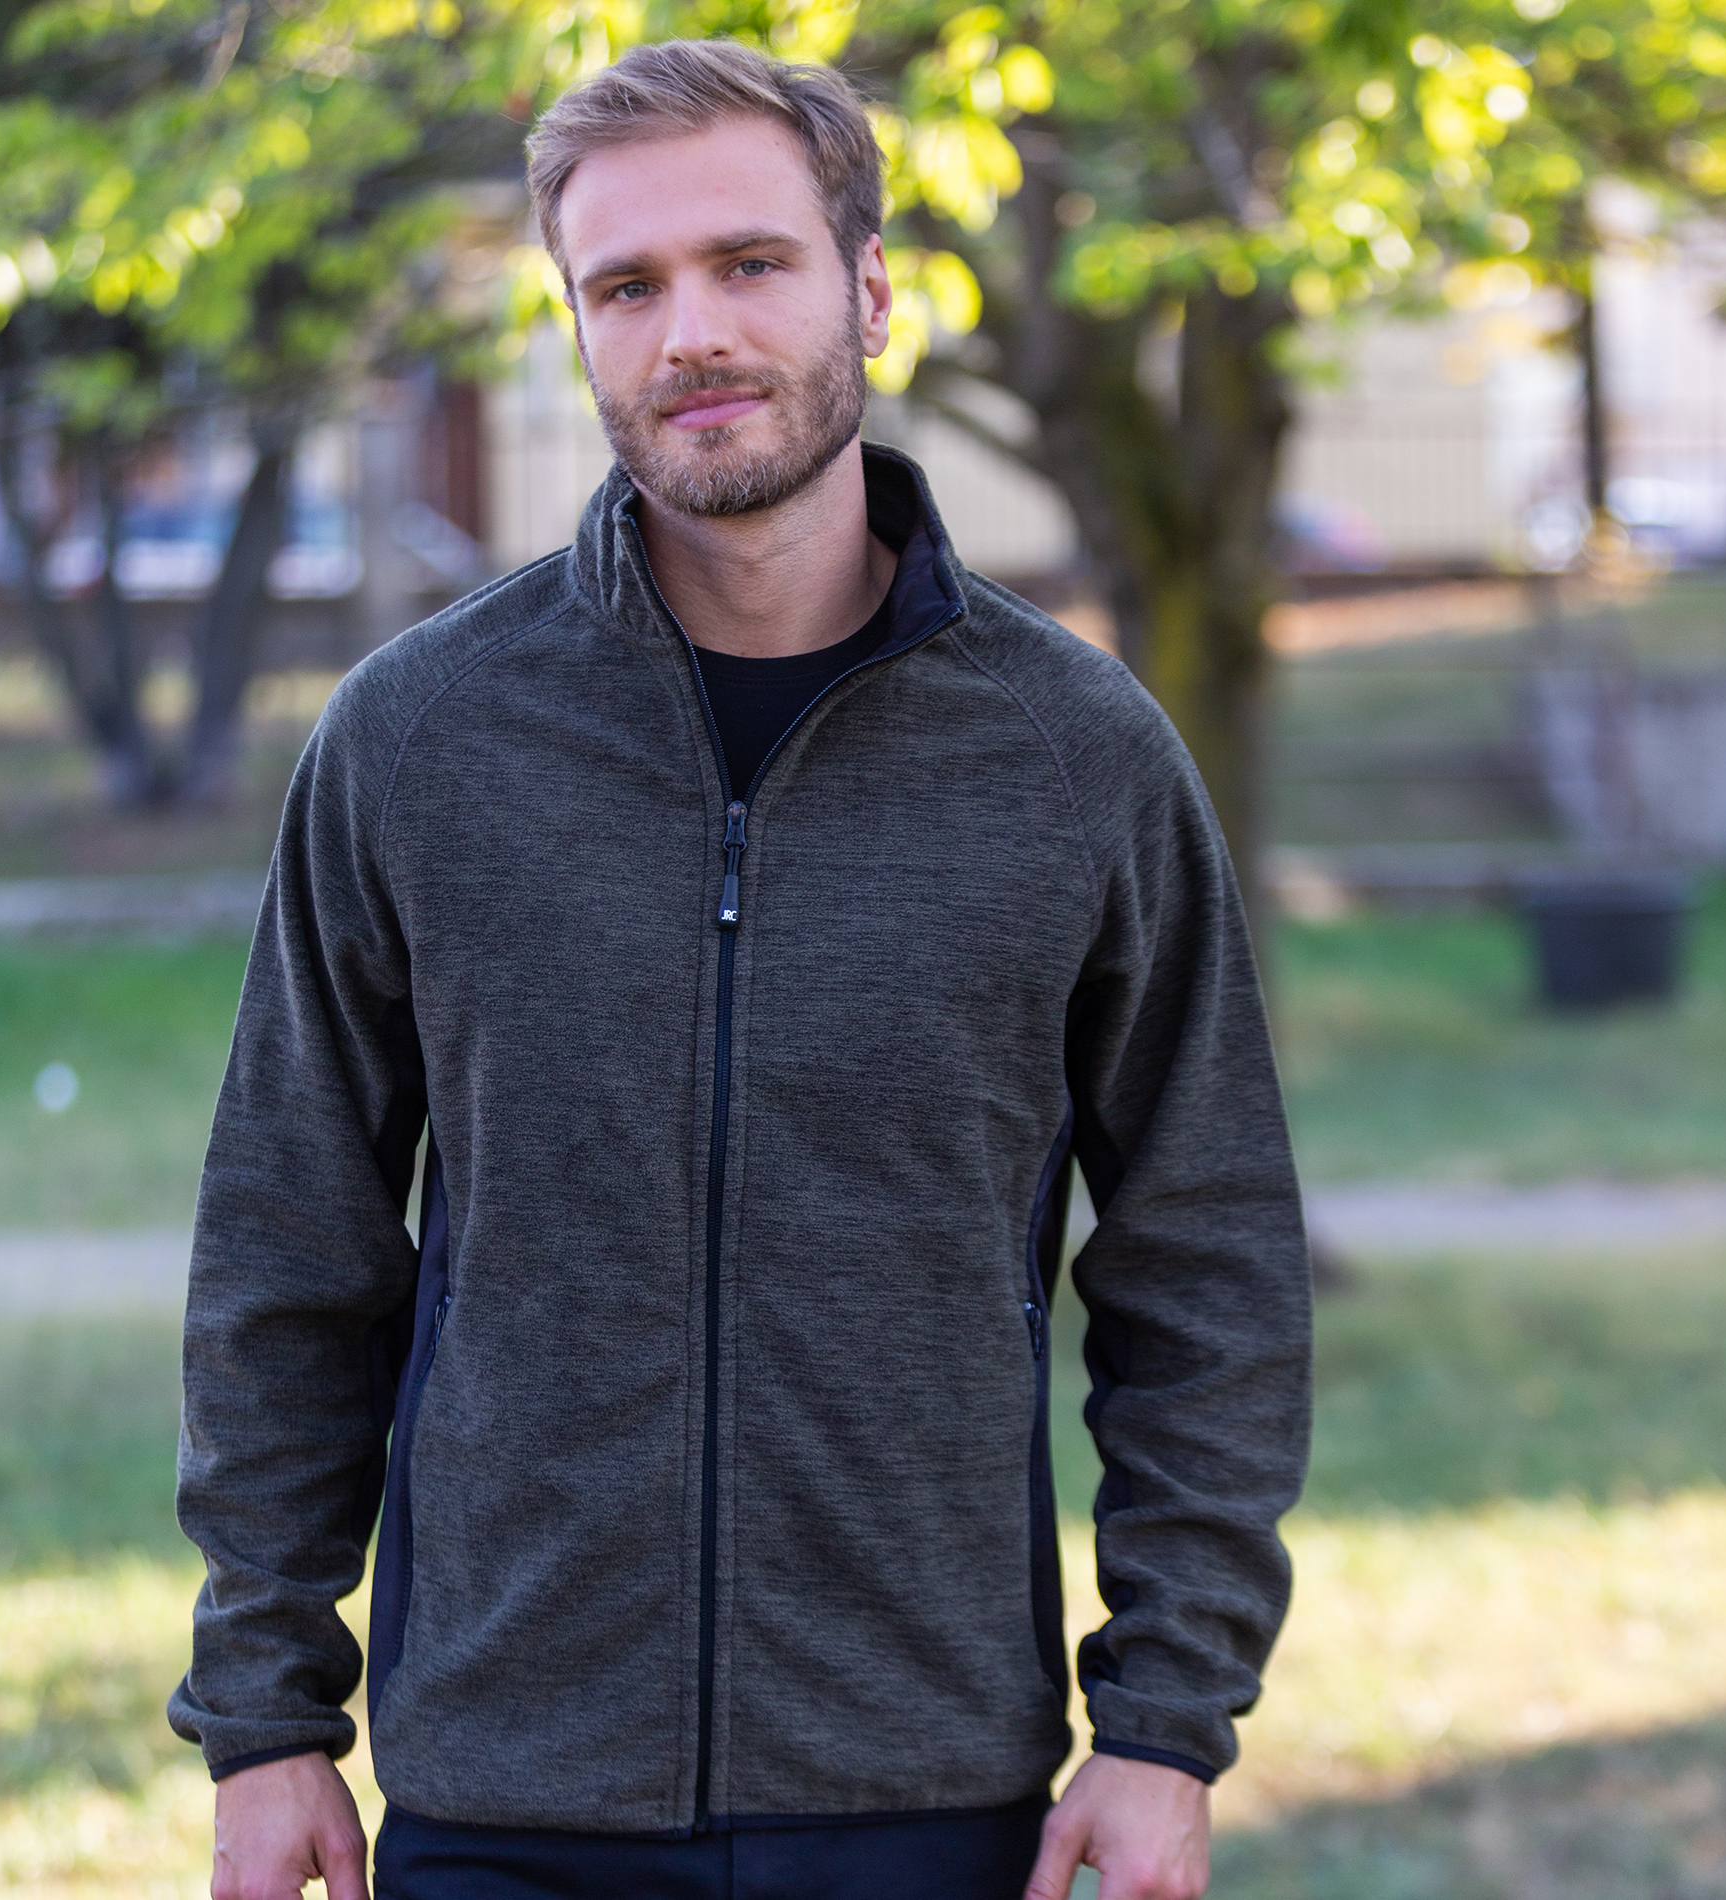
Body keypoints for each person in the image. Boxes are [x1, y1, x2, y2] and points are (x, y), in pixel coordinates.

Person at [169, 39, 1312, 1900]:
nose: (690, 331)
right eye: (626, 286)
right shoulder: (417, 741)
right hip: (506, 1795)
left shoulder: (1077, 755)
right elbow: (291, 1243)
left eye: (750, 263)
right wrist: (266, 1712)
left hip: (927, 1789)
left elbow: (1209, 1260)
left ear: (871, 290)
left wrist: (1169, 1722)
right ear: (577, 331)